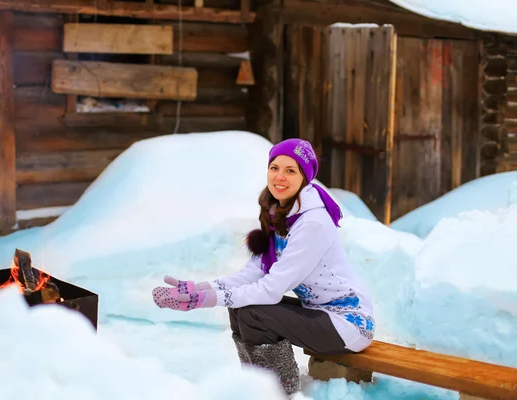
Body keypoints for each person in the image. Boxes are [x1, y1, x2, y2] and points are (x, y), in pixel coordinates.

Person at [152, 138, 375, 396]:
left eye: (290, 170)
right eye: (274, 168)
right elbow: (251, 275)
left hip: (348, 324)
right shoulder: (280, 212)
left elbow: (271, 289)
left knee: (254, 313)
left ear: (304, 177)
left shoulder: (312, 224)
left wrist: (207, 299)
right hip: (319, 313)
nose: (279, 177)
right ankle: (256, 387)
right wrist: (200, 289)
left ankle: (280, 391)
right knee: (240, 307)